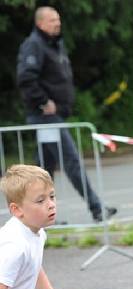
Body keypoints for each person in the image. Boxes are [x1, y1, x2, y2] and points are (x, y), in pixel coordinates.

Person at [16, 6, 117, 224]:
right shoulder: (34, 45)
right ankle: (97, 208)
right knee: (71, 161)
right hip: (45, 118)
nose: (58, 23)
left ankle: (37, 219)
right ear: (40, 23)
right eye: (53, 20)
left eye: (58, 19)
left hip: (55, 116)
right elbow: (26, 78)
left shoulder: (54, 44)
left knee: (43, 171)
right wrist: (43, 101)